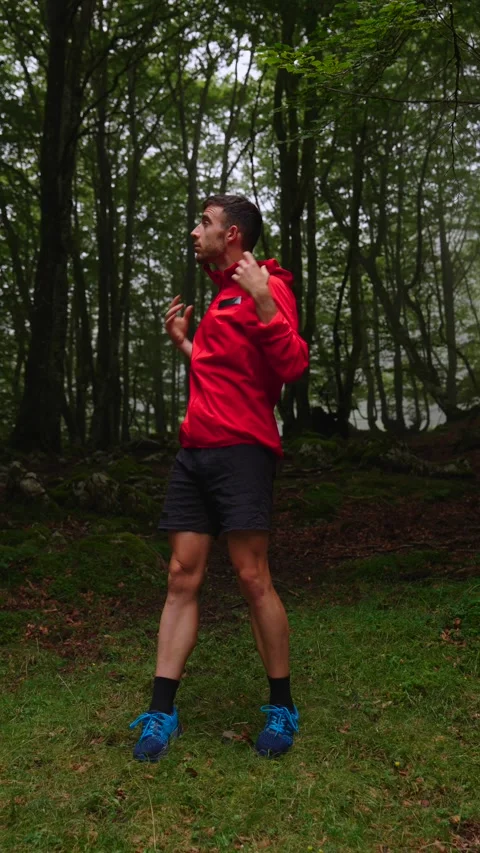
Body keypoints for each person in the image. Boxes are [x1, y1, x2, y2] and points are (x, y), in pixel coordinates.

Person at [129, 194, 308, 761]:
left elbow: (293, 365)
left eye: (204, 222)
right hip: (195, 453)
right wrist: (187, 345)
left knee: (252, 577)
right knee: (182, 576)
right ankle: (161, 712)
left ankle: (282, 703)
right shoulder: (223, 295)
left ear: (233, 235)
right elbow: (228, 372)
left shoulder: (264, 285)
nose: (194, 230)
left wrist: (265, 307)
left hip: (243, 452)